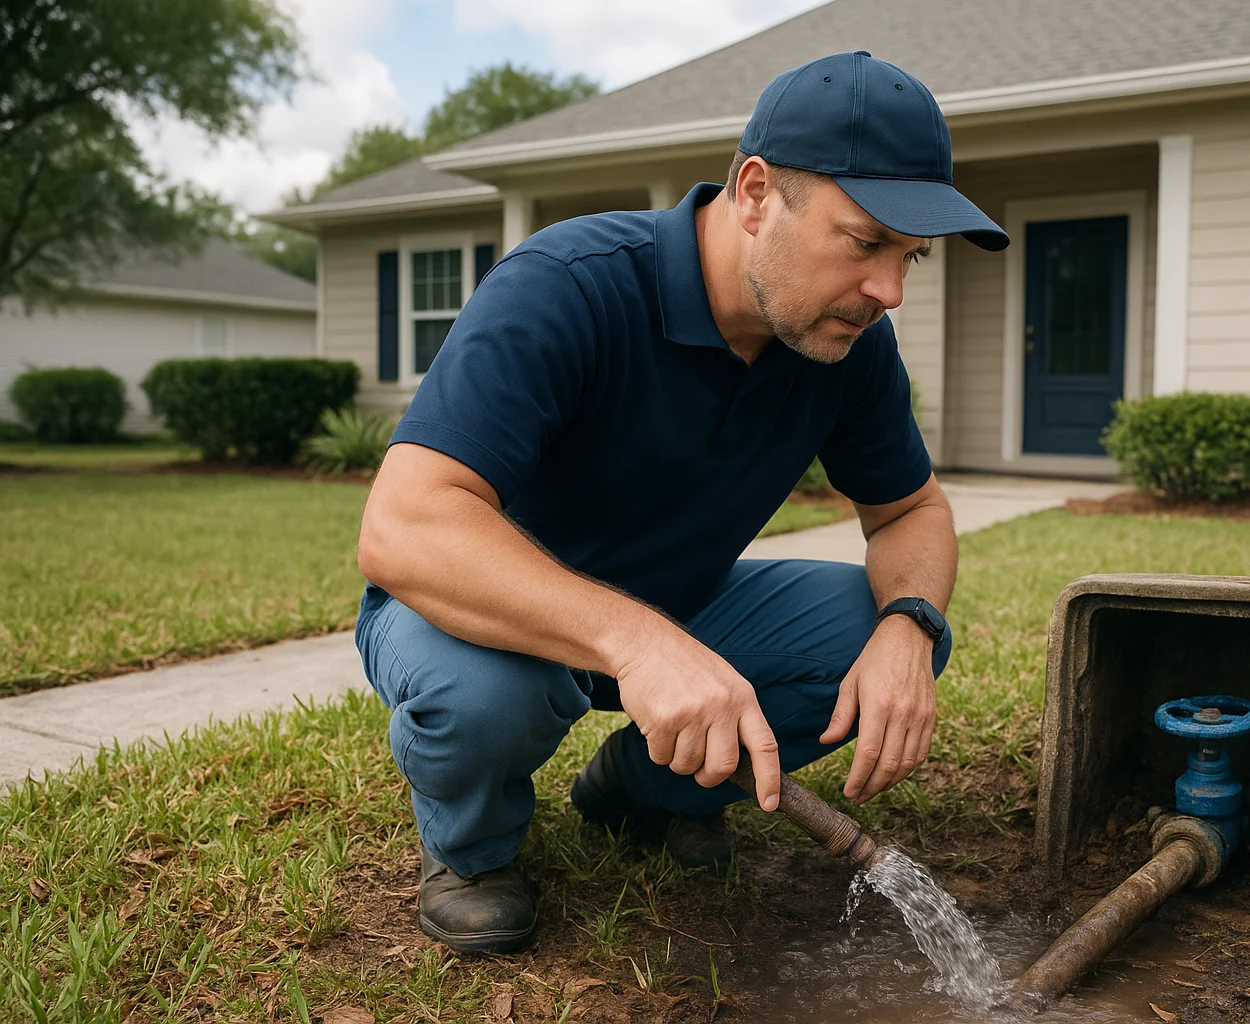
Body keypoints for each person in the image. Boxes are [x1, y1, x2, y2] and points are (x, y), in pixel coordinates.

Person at [353, 50, 1009, 955]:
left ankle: (641, 789)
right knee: (491, 695)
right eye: (864, 242)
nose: (887, 292)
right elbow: (404, 525)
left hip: (681, 599)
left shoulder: (850, 343)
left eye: (910, 258)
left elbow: (912, 513)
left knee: (881, 631)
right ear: (753, 194)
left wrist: (908, 623)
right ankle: (472, 851)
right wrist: (636, 641)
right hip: (479, 615)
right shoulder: (569, 284)